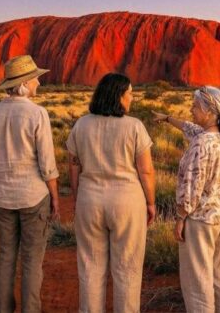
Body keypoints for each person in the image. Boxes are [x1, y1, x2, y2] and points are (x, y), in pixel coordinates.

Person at [66, 73, 156, 313]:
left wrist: (77, 197)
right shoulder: (134, 126)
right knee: (127, 268)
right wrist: (151, 202)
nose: (132, 98)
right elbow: (146, 171)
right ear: (118, 96)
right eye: (130, 93)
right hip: (127, 201)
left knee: (90, 267)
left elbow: (73, 164)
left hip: (89, 200)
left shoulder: (81, 125)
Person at [0, 55, 60, 313]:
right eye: (36, 77)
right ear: (26, 82)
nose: (39, 82)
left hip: (1, 197)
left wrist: (0, 185)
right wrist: (55, 199)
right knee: (31, 261)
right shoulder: (37, 114)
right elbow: (47, 164)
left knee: (5, 257)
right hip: (34, 197)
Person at [152, 86, 220, 313]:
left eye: (195, 106)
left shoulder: (202, 144)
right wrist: (168, 119)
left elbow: (192, 187)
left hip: (202, 220)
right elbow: (190, 128)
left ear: (209, 112)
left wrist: (180, 217)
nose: (191, 109)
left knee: (198, 282)